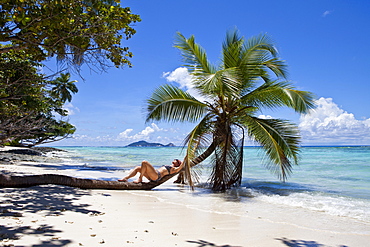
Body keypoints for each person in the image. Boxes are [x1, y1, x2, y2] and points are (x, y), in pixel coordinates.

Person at [118, 159, 184, 183]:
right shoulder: (170, 166)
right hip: (153, 175)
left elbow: (179, 168)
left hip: (156, 176)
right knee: (138, 168)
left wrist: (185, 159)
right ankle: (125, 178)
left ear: (178, 164)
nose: (175, 160)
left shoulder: (173, 169)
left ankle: (140, 178)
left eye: (177, 160)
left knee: (144, 162)